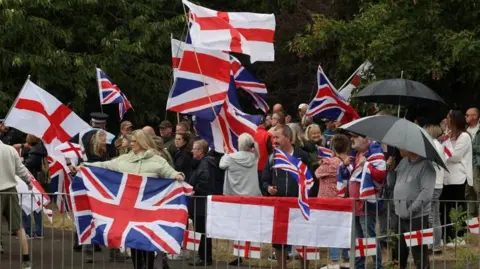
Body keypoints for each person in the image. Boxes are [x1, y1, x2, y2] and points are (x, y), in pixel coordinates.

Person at [85, 130, 184, 269]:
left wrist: (178, 175)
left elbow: (169, 171)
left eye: (134, 141)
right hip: (130, 210)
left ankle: (149, 266)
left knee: (147, 240)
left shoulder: (157, 159)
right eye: (131, 141)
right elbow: (106, 165)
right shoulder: (124, 159)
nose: (131, 144)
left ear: (142, 142)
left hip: (149, 208)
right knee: (134, 241)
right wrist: (86, 166)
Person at [262, 125, 311, 269]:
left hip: (299, 205)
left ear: (288, 138)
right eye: (273, 138)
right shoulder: (273, 157)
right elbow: (264, 180)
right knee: (279, 241)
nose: (274, 141)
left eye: (277, 137)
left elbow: (311, 179)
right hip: (280, 205)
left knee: (303, 240)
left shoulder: (302, 155)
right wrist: (268, 188)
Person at [347, 134, 386, 269]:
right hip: (355, 203)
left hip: (366, 202)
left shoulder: (374, 154)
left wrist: (366, 165)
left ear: (366, 139)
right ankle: (359, 266)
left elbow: (380, 176)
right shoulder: (354, 155)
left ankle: (377, 266)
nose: (351, 139)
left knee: (369, 237)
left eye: (355, 137)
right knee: (358, 239)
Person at [394, 149, 435, 269]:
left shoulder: (427, 166)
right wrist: (390, 170)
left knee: (419, 253)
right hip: (400, 214)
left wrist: (410, 210)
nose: (399, 148)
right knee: (400, 252)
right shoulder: (402, 162)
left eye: (403, 145)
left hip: (418, 217)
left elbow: (427, 193)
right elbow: (391, 183)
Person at [319, 134, 350, 269]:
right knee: (344, 229)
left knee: (332, 230)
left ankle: (335, 260)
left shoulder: (330, 162)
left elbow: (317, 173)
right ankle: (346, 258)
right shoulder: (350, 161)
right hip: (344, 198)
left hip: (329, 201)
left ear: (333, 147)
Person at [0, 140, 33, 269]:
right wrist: (29, 182)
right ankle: (26, 260)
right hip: (10, 190)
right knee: (18, 226)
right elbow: (21, 170)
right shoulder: (10, 149)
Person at [441, 110, 472, 247]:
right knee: (445, 208)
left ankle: (459, 237)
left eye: (448, 117)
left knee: (457, 207)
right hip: (446, 177)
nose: (446, 120)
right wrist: (445, 140)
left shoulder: (464, 136)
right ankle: (447, 236)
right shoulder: (448, 136)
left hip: (458, 177)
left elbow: (455, 157)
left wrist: (446, 142)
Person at [188, 139, 214, 266]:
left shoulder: (204, 165)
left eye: (194, 148)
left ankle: (204, 257)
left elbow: (203, 182)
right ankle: (205, 256)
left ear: (200, 151)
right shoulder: (201, 163)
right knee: (202, 230)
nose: (192, 150)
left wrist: (194, 190)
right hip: (200, 204)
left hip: (200, 203)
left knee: (201, 231)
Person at [424, 125, 446, 254]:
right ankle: (433, 244)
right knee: (433, 217)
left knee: (432, 217)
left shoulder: (434, 146)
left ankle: (435, 245)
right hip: (436, 184)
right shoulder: (437, 145)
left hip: (434, 184)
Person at [23, 134, 48, 238]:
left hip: (31, 182)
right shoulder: (42, 150)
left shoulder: (34, 153)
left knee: (25, 207)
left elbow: (26, 166)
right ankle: (38, 231)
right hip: (39, 182)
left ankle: (28, 231)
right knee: (37, 208)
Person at [465, 107, 480, 219]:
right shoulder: (466, 130)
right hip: (467, 167)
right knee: (469, 195)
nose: (465, 117)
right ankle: (471, 227)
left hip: (477, 166)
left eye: (467, 115)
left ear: (475, 116)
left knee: (478, 192)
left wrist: (470, 147)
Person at [253, 117, 273, 195]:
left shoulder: (250, 133)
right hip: (264, 169)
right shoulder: (268, 135)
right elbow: (272, 153)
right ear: (264, 123)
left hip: (251, 169)